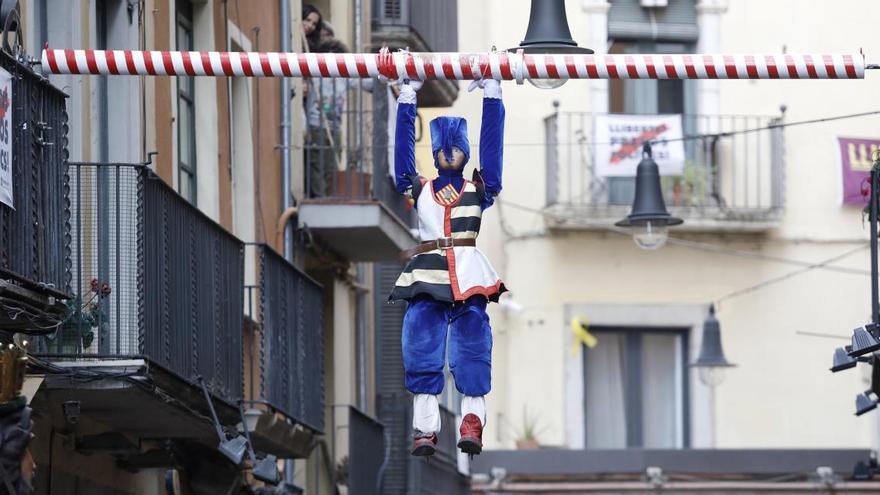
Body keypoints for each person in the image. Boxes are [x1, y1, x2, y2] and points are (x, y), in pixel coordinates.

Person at [378, 47, 506, 458]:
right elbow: (400, 163)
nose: (450, 153)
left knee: (472, 347)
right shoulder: (422, 187)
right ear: (435, 154)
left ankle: (470, 421)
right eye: (444, 149)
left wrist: (493, 95)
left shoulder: (478, 188)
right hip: (431, 274)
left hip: (467, 272)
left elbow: (494, 153)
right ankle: (426, 428)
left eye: (456, 148)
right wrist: (407, 99)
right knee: (420, 344)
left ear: (463, 153)